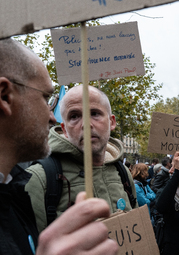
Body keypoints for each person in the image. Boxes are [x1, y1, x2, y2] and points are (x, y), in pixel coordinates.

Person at [0, 38, 118, 254]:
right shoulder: (38, 179)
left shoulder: (12, 191)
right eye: (46, 98)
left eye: (95, 113)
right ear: (4, 96)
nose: (51, 118)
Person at [25, 84, 137, 233]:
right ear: (64, 129)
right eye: (74, 116)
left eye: (95, 113)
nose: (86, 124)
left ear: (112, 122)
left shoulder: (122, 173)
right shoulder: (39, 178)